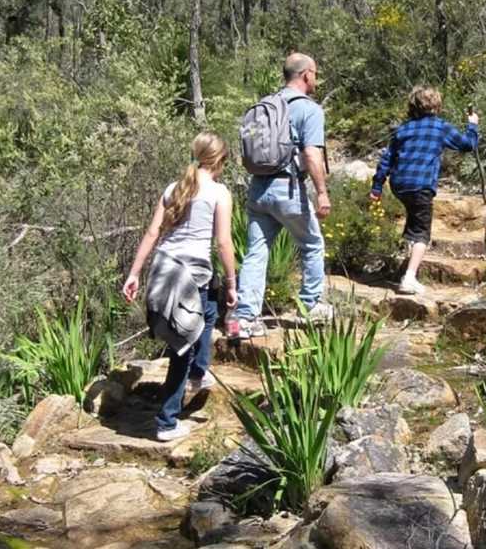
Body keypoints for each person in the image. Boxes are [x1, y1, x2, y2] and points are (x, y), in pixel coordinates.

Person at [122, 132, 236, 442]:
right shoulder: (219, 192)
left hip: (164, 270)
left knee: (208, 314)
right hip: (191, 275)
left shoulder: (174, 189)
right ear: (220, 160)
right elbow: (224, 242)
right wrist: (232, 281)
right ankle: (166, 421)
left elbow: (151, 233)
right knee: (181, 349)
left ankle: (199, 374)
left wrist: (134, 274)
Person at [233, 53, 332, 337]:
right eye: (315, 73)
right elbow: (312, 154)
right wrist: (322, 193)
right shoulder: (309, 110)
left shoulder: (266, 105)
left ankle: (245, 317)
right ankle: (310, 306)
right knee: (311, 243)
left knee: (256, 252)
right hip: (287, 188)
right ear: (306, 75)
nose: (316, 78)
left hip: (258, 188)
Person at [369, 86, 479, 295]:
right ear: (436, 105)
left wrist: (377, 186)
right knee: (422, 233)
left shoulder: (403, 129)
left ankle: (407, 263)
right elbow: (468, 145)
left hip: (399, 185)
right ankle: (409, 278)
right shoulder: (440, 127)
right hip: (421, 185)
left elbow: (386, 159)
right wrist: (472, 126)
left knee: (413, 218)